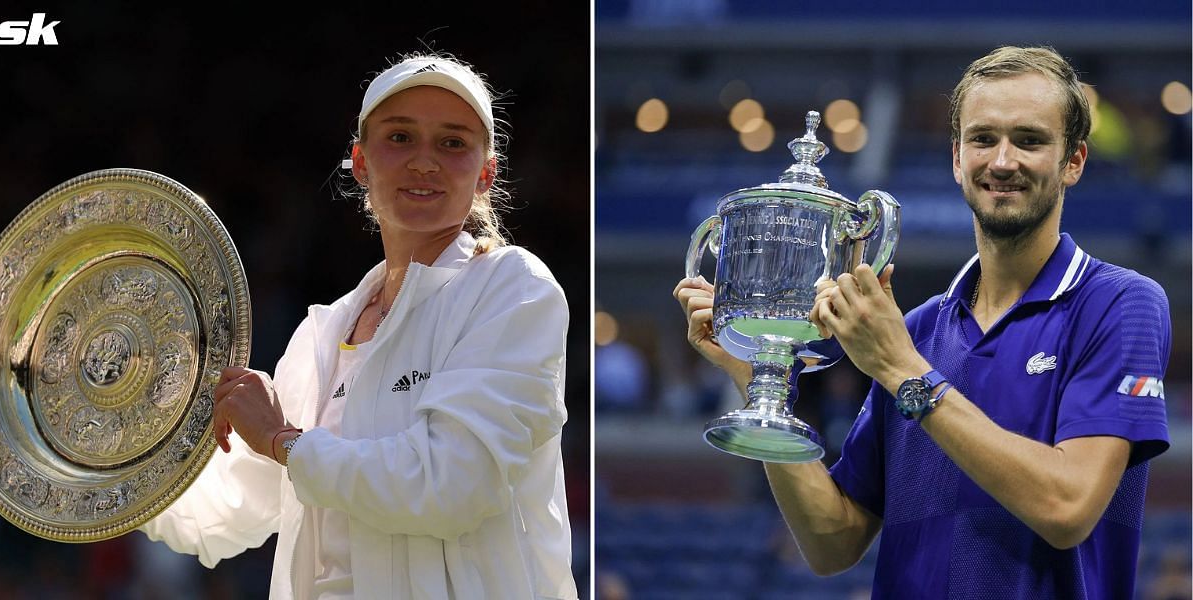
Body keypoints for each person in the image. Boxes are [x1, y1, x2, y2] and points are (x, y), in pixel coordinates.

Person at [674, 46, 1171, 598]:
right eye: (983, 139)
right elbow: (832, 542)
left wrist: (903, 370)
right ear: (957, 158)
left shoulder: (1121, 304)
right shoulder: (918, 330)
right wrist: (757, 378)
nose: (1002, 161)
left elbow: (1067, 506)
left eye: (1029, 140)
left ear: (1073, 160)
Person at [141, 53, 579, 599]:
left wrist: (281, 441)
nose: (424, 162)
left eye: (452, 142)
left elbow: (449, 485)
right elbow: (226, 515)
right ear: (360, 162)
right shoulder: (321, 335)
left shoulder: (514, 289)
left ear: (486, 172)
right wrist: (99, 463)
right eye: (399, 137)